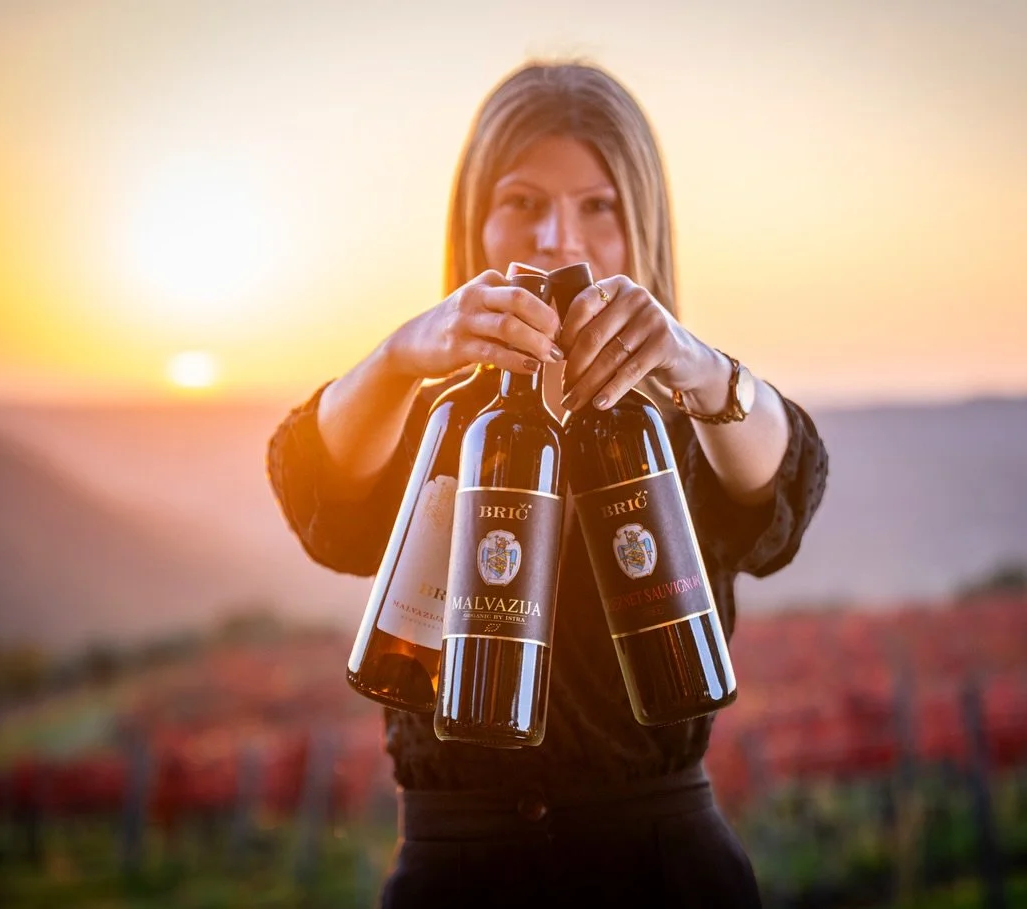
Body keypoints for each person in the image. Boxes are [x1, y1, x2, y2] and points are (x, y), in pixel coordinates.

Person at [268, 60, 828, 908]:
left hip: (664, 876)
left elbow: (783, 492)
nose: (556, 239)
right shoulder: (432, 424)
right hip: (457, 875)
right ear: (475, 225)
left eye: (596, 206)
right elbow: (317, 491)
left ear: (642, 229)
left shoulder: (688, 421)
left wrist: (698, 366)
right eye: (522, 202)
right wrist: (398, 356)